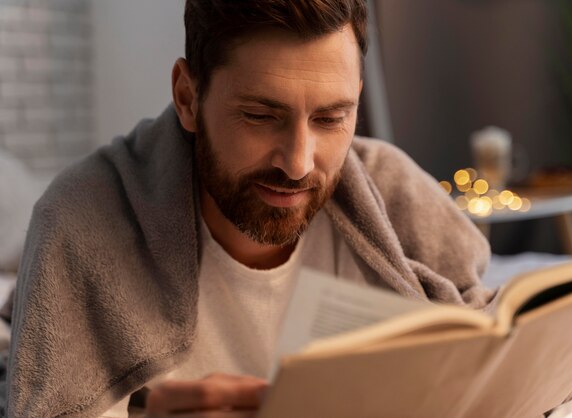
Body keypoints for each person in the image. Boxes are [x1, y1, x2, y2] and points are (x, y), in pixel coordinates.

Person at [1, 0, 494, 417]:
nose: (299, 164)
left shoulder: (395, 191)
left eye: (330, 118)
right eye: (260, 116)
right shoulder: (80, 223)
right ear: (187, 97)